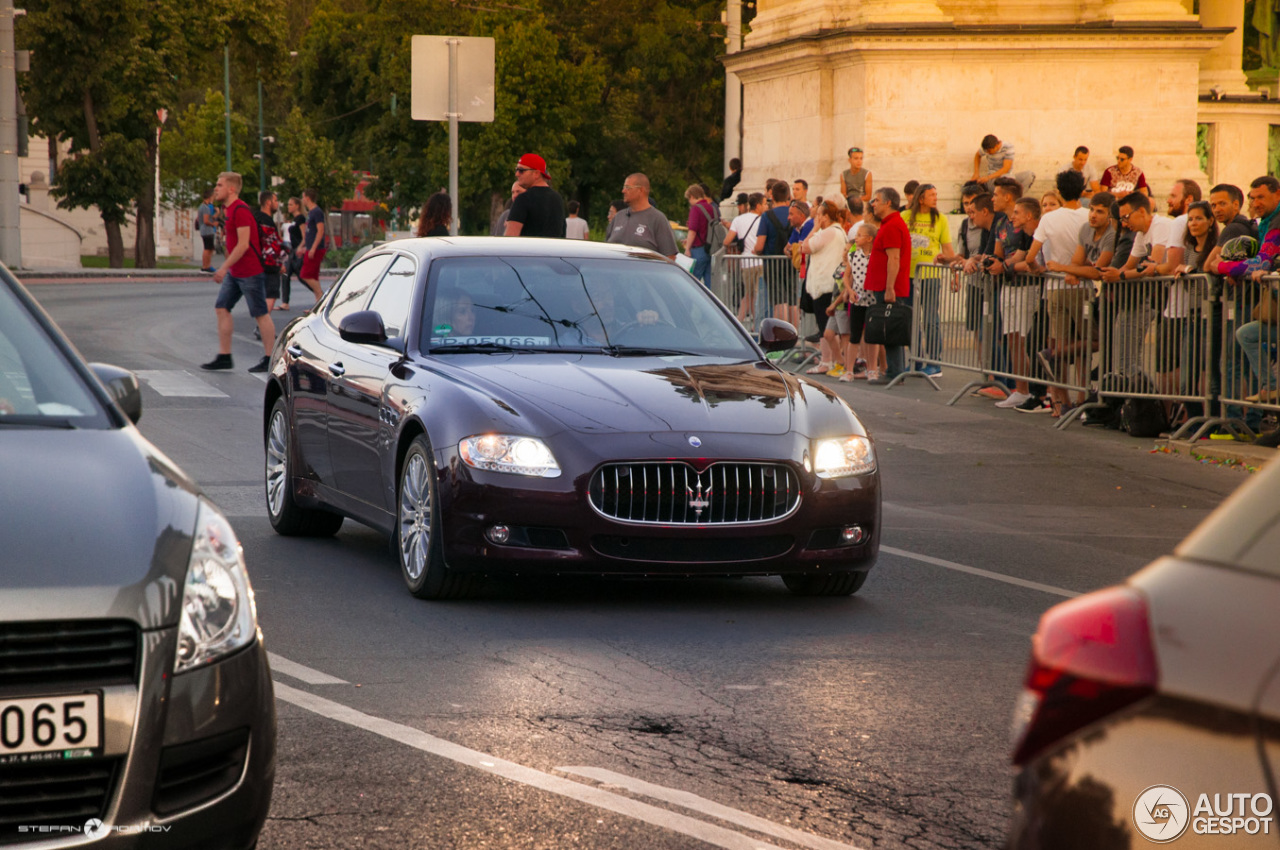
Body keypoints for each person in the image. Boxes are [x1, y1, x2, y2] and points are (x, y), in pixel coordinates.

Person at [1027, 170, 1092, 416]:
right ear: (1083, 187)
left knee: (1060, 343)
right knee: (1084, 344)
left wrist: (1038, 270)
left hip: (1055, 286)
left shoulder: (1050, 218)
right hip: (1083, 285)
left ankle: (1062, 401)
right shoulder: (1089, 215)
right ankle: (1083, 398)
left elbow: (1032, 255)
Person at [201, 171, 275, 373]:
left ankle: (270, 358)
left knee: (260, 313)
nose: (216, 188)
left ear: (231, 188)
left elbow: (243, 245)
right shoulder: (229, 211)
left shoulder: (240, 210)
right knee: (222, 307)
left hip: (250, 270)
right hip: (236, 271)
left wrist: (223, 268)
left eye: (219, 185)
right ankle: (224, 356)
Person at [904, 183, 954, 376]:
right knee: (910, 319)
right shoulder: (905, 217)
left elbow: (948, 250)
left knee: (930, 319)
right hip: (907, 276)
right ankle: (916, 358)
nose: (935, 198)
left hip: (930, 276)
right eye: (931, 195)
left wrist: (954, 272)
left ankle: (934, 362)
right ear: (920, 198)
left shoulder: (940, 219)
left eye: (936, 194)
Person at [864, 188, 911, 384]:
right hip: (885, 285)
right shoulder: (889, 224)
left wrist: (890, 288)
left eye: (876, 201)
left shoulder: (892, 226)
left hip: (889, 287)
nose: (873, 204)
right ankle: (894, 371)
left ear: (888, 203)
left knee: (890, 329)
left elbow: (894, 258)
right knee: (889, 328)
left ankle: (895, 373)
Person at [798, 200, 847, 374]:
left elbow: (804, 247)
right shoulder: (837, 231)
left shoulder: (829, 232)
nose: (816, 217)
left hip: (826, 284)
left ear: (826, 216)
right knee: (827, 327)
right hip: (829, 284)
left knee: (825, 327)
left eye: (819, 214)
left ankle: (827, 361)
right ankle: (833, 361)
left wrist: (813, 228)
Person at [606, 173, 678, 259]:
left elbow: (669, 257)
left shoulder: (657, 219)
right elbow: (606, 250)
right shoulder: (618, 217)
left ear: (640, 190)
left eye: (627, 187)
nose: (623, 191)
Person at [504, 153, 566, 238]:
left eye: (521, 170)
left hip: (528, 250)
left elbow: (510, 238)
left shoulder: (523, 199)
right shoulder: (557, 198)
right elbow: (562, 233)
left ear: (536, 173)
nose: (517, 174)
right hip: (553, 250)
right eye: (516, 170)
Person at [726, 192, 764, 324]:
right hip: (761, 260)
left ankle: (741, 320)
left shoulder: (738, 220)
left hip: (746, 262)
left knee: (749, 293)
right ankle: (756, 322)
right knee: (758, 294)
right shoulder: (762, 220)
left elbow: (727, 241)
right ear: (758, 205)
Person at [252, 191, 283, 320]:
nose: (277, 204)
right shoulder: (266, 221)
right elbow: (270, 245)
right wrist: (279, 264)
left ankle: (261, 324)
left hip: (256, 261)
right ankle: (262, 325)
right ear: (268, 202)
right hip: (268, 264)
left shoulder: (255, 218)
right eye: (275, 201)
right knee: (271, 293)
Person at [683, 184, 719, 288]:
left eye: (689, 199)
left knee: (692, 283)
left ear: (692, 196)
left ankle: (688, 304)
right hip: (712, 249)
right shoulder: (713, 208)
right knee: (709, 285)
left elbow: (693, 231)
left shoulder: (695, 209)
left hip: (698, 250)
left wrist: (688, 248)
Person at [297, 188, 327, 306]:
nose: (302, 200)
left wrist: (313, 248)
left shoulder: (317, 212)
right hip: (311, 248)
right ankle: (318, 302)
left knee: (305, 275)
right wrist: (305, 246)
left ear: (307, 198)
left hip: (316, 249)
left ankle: (321, 295)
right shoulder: (311, 213)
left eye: (303, 197)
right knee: (313, 276)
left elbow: (320, 231)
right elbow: (310, 232)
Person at [278, 196, 305, 311]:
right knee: (285, 274)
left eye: (291, 204)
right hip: (292, 251)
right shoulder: (295, 220)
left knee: (303, 277)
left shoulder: (300, 219)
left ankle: (320, 295)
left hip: (298, 251)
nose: (288, 206)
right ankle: (285, 303)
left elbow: (305, 236)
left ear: (297, 206)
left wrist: (300, 248)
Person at [197, 187, 218, 273]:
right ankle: (206, 265)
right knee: (208, 248)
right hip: (207, 230)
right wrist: (213, 224)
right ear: (210, 196)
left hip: (205, 230)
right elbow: (206, 221)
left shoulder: (202, 206)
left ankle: (207, 265)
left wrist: (217, 213)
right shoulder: (205, 207)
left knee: (209, 248)